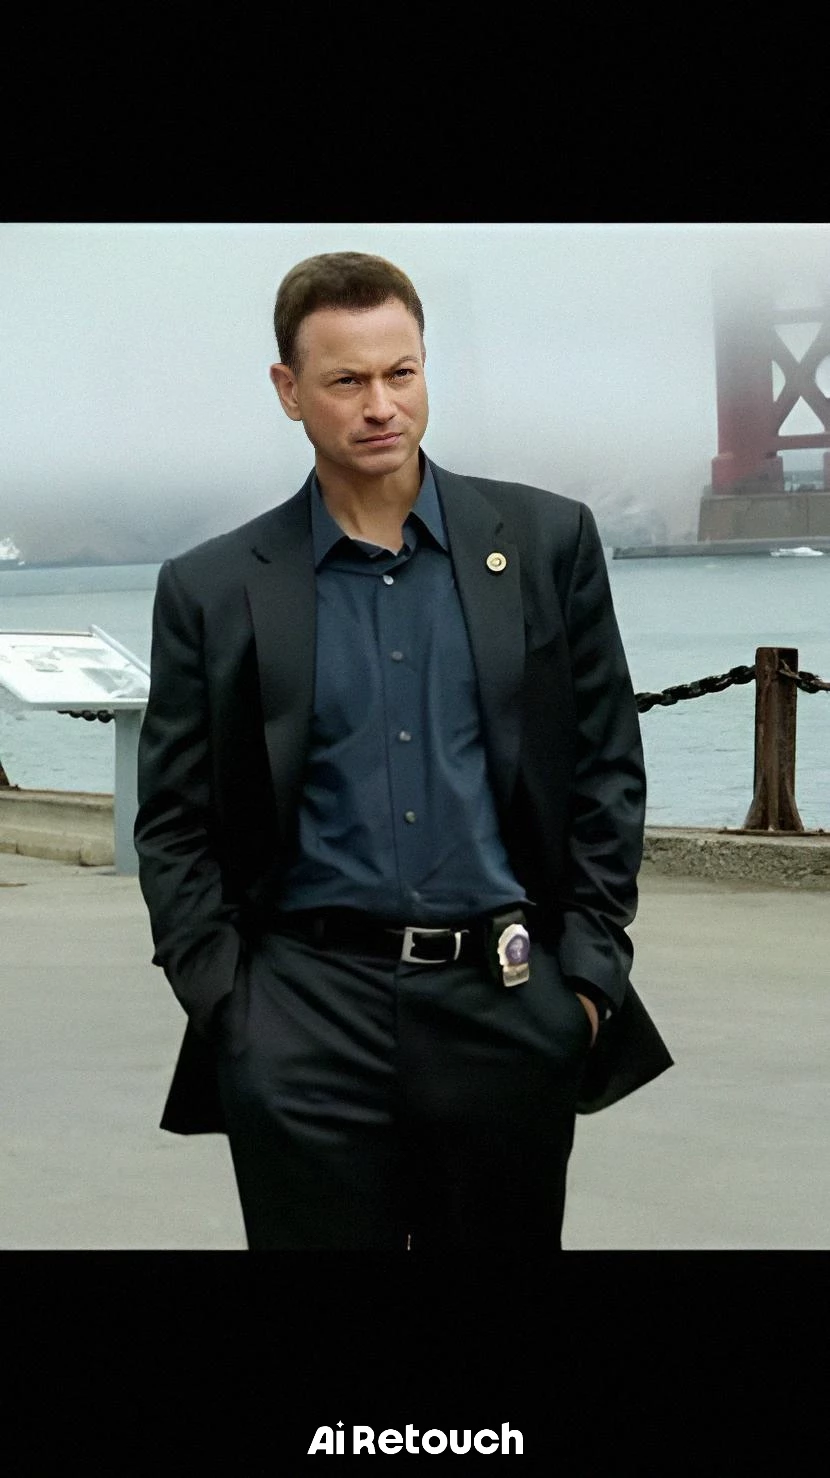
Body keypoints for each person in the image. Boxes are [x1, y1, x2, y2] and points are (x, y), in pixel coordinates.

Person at [134, 250, 672, 1251]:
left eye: (401, 372)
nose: (380, 405)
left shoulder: (546, 543)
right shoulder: (212, 587)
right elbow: (174, 818)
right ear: (288, 390)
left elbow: (605, 769)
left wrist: (586, 985)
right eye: (346, 380)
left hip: (506, 1003)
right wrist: (230, 1007)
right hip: (302, 1019)